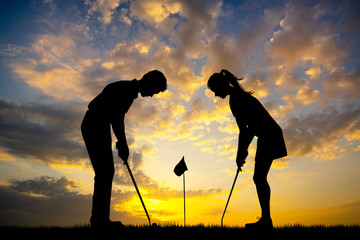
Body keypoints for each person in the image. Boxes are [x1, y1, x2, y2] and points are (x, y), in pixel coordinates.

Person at [81, 70, 167, 227]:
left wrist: (122, 143)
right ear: (149, 82)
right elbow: (117, 118)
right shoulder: (126, 90)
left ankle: (100, 219)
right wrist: (123, 144)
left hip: (99, 124)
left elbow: (116, 118)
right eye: (154, 91)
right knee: (105, 172)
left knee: (105, 172)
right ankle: (99, 221)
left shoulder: (129, 90)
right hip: (94, 124)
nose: (152, 95)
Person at [207, 69, 287, 230]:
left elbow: (246, 130)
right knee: (259, 178)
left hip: (269, 135)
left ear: (221, 86)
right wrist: (242, 151)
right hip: (266, 136)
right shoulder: (236, 97)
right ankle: (266, 219)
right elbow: (246, 130)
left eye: (215, 91)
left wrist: (240, 153)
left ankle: (266, 221)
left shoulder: (237, 99)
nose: (216, 95)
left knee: (259, 178)